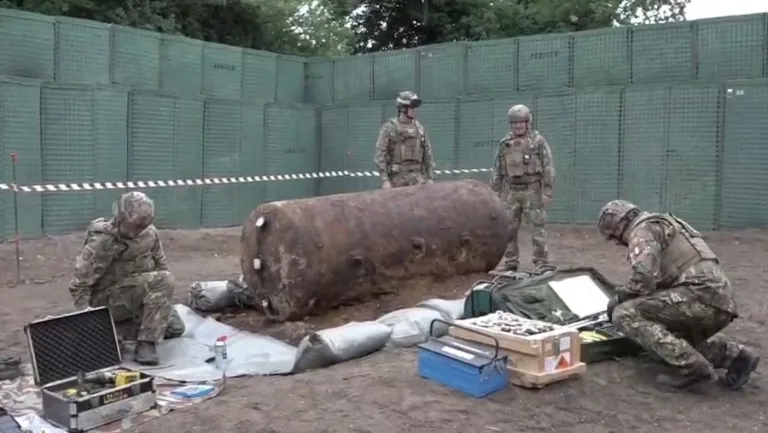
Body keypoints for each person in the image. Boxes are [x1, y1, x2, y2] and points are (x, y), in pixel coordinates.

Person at [597, 199, 760, 391]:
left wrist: (618, 299)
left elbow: (644, 280)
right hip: (720, 300)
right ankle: (736, 356)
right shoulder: (663, 224)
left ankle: (694, 368)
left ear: (620, 226)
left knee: (624, 314)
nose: (617, 243)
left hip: (699, 297)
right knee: (670, 341)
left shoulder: (641, 231)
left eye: (614, 236)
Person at [68, 191, 185, 366]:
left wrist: (158, 302)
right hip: (108, 300)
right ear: (120, 217)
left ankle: (118, 331)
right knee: (164, 280)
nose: (135, 231)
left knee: (175, 328)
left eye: (140, 227)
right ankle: (146, 344)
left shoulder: (150, 234)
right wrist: (88, 324)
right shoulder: (103, 240)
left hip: (137, 296)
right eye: (133, 226)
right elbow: (80, 285)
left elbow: (160, 264)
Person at [490, 104, 554, 272]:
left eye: (521, 122)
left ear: (528, 123)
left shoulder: (538, 142)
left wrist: (547, 191)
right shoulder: (505, 143)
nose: (518, 126)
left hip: (532, 190)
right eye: (514, 123)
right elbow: (498, 168)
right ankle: (511, 262)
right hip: (511, 192)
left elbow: (548, 166)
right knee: (509, 229)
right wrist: (494, 192)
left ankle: (541, 263)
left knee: (537, 229)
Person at [374, 91, 435, 188]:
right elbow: (380, 155)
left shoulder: (419, 129)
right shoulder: (389, 128)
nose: (415, 110)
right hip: (397, 181)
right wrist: (385, 180)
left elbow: (428, 154)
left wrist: (430, 177)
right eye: (412, 107)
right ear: (402, 108)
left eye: (416, 107)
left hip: (419, 180)